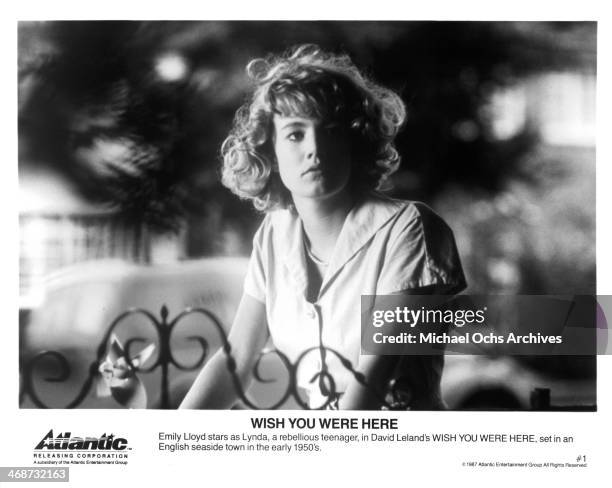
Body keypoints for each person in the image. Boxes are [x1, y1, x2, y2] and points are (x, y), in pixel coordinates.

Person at [180, 44, 466, 410]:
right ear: (270, 150)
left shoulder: (409, 229)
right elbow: (236, 357)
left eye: (330, 131)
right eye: (295, 134)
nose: (314, 149)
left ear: (355, 139)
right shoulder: (273, 233)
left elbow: (371, 379)